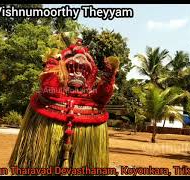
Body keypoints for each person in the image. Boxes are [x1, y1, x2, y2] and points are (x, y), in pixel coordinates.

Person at [8, 39, 119, 172]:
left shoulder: (93, 102)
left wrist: (108, 76)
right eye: (72, 67)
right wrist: (52, 64)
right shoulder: (50, 94)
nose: (77, 69)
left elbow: (103, 94)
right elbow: (49, 86)